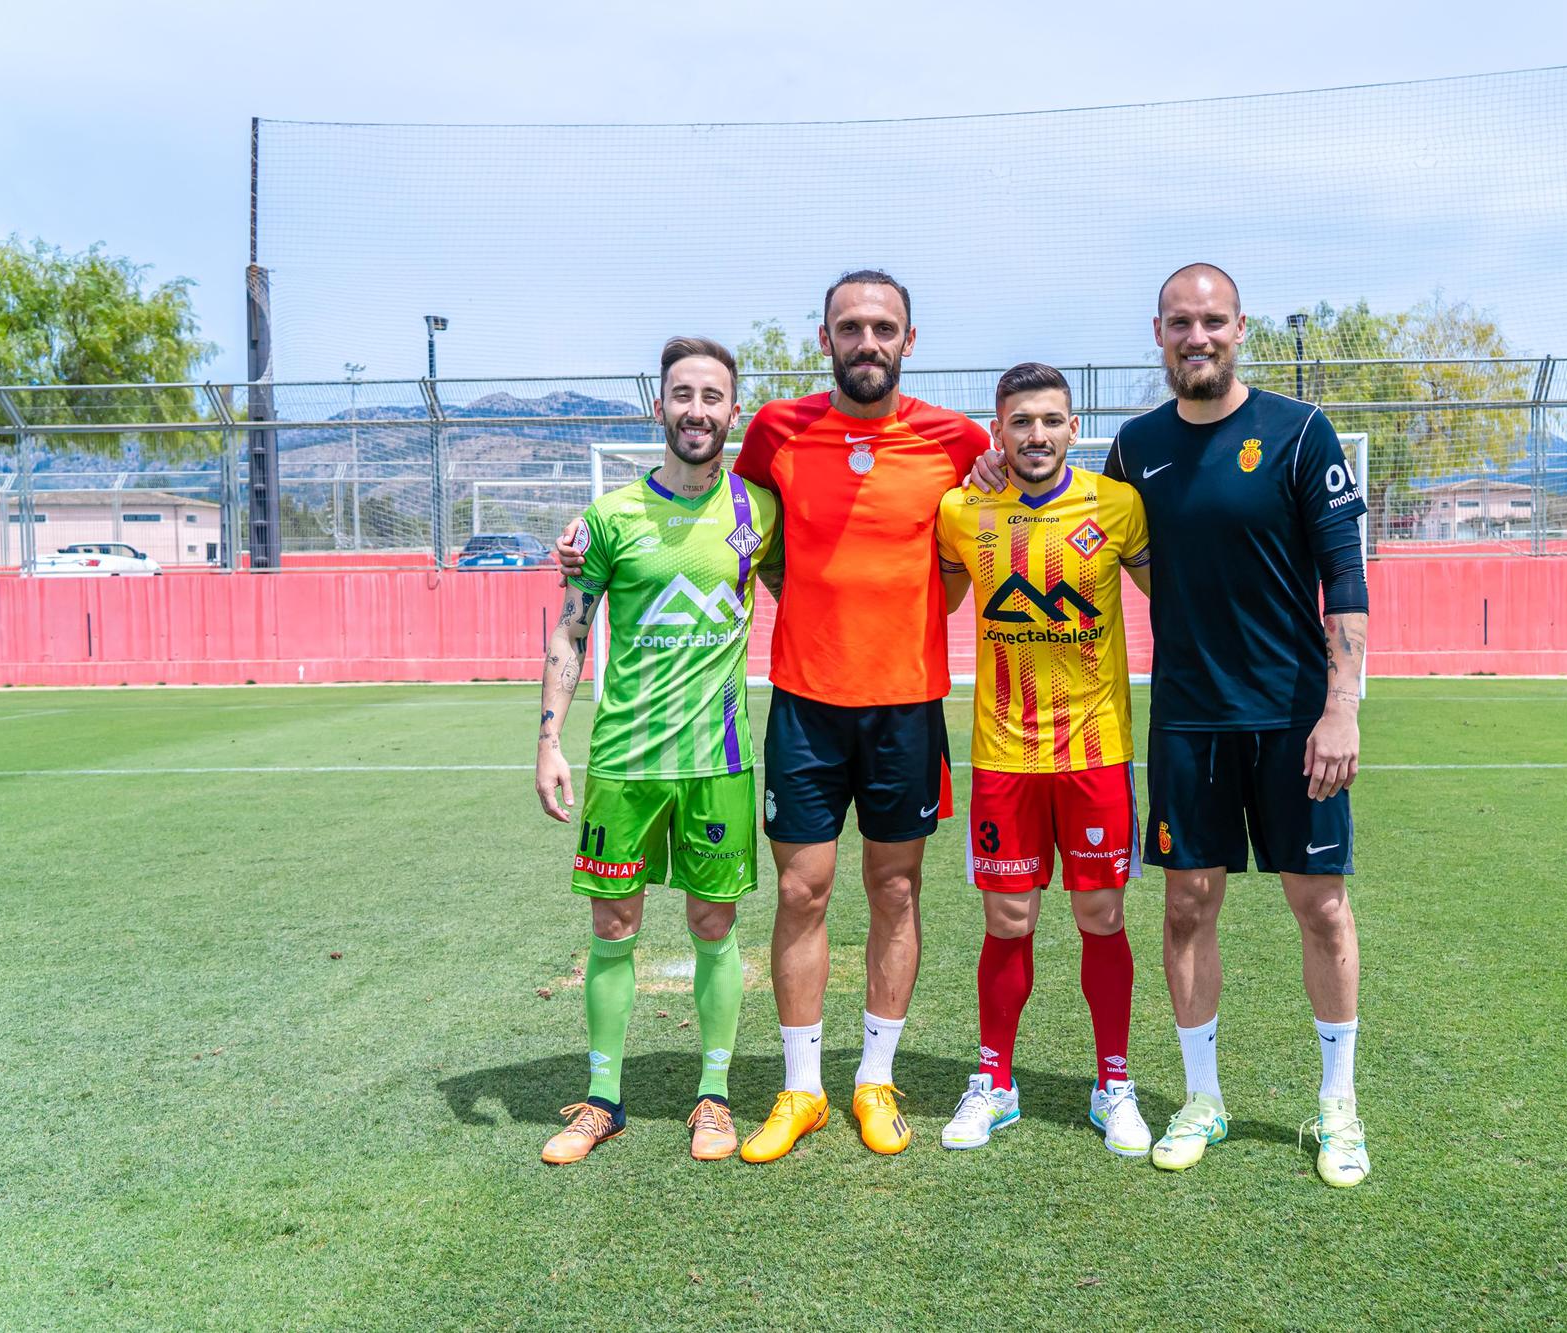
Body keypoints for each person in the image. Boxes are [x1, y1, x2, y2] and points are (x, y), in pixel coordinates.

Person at [556, 271, 989, 1161]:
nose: (866, 341)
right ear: (824, 337)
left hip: (907, 705)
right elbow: (729, 516)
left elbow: (996, 517)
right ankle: (801, 1089)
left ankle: (875, 1079)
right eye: (849, 327)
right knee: (802, 890)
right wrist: (587, 531)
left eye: (883, 327)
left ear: (910, 339)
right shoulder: (777, 434)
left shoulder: (959, 440)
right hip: (804, 703)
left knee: (897, 889)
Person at [969, 263, 1373, 1185]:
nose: (1199, 336)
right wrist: (989, 467)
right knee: (1187, 906)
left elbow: (1344, 577)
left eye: (1214, 321)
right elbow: (1075, 524)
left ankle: (1338, 1106)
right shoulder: (1136, 451)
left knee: (1321, 905)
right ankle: (1202, 1098)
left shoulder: (1300, 432)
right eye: (1181, 323)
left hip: (1295, 717)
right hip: (1187, 719)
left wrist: (1341, 705)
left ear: (1241, 328)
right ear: (1158, 332)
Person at [534, 337, 780, 1165]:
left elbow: (818, 585)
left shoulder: (760, 513)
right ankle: (602, 1099)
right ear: (659, 407)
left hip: (719, 759)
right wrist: (548, 742)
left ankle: (713, 1095)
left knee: (715, 924)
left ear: (732, 411)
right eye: (683, 394)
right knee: (614, 926)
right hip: (624, 760)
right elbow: (572, 627)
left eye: (713, 396)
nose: (698, 410)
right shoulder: (606, 519)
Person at [931, 362, 1153, 1158]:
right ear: (998, 429)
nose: (1036, 435)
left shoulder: (1118, 505)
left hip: (1098, 753)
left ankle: (1113, 1083)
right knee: (1008, 918)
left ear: (1072, 427)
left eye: (1051, 420)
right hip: (1003, 753)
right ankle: (995, 1080)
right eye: (1020, 421)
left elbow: (1182, 590)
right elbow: (936, 594)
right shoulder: (962, 508)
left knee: (1102, 915)